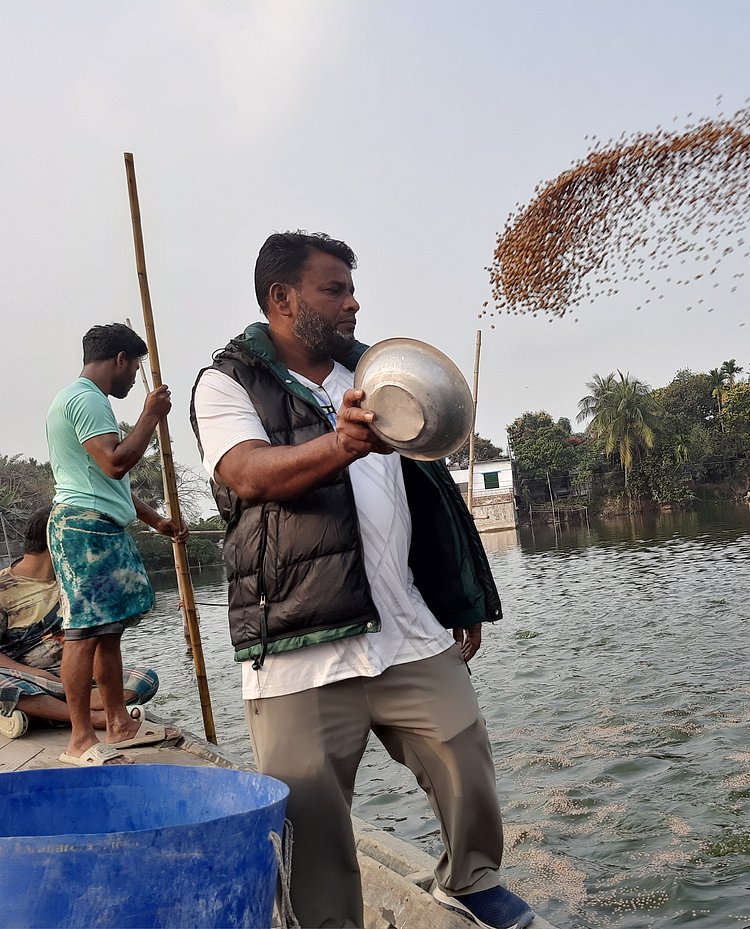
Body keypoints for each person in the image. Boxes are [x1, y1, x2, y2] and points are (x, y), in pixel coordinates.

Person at [190, 231, 534, 929]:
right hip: (299, 643)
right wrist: (339, 444)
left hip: (407, 625)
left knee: (463, 750)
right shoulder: (226, 382)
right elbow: (249, 474)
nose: (353, 301)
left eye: (351, 287)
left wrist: (460, 592)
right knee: (310, 820)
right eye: (334, 288)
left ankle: (468, 880)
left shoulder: (376, 374)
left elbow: (429, 486)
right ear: (282, 299)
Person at [45, 322, 185, 766]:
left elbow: (109, 486)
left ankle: (120, 724)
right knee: (83, 632)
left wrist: (156, 520)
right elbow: (115, 463)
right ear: (121, 360)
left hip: (99, 525)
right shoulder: (87, 398)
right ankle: (81, 739)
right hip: (83, 530)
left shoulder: (80, 399)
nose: (135, 374)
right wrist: (151, 415)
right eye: (136, 364)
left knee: (108, 633)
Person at [0, 506, 160, 740]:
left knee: (145, 680)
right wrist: (39, 675)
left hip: (74, 679)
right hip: (23, 676)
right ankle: (93, 718)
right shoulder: (3, 589)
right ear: (59, 541)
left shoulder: (75, 582)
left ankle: (37, 712)